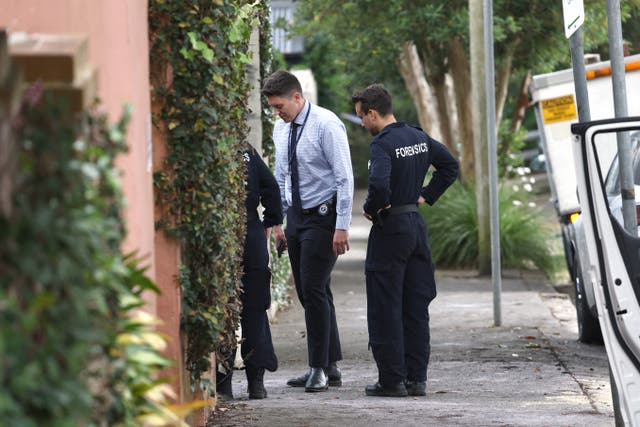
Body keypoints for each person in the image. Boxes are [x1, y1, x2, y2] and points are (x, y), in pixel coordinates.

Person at [351, 84, 458, 397]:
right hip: (415, 226)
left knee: (385, 305)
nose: (361, 123)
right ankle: (417, 379)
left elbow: (379, 185)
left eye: (361, 117)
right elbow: (449, 166)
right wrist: (425, 195)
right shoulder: (417, 136)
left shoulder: (381, 144)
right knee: (416, 304)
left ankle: (392, 380)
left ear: (373, 113)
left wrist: (371, 209)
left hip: (390, 229)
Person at [262, 70, 354, 392]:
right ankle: (330, 365)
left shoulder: (327, 125)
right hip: (298, 217)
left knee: (313, 289)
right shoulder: (281, 128)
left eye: (279, 105)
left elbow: (345, 177)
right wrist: (281, 221)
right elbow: (282, 174)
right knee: (309, 291)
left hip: (324, 217)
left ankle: (318, 368)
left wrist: (342, 225)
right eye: (272, 107)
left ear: (297, 97)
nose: (276, 112)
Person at [216, 144, 284, 400]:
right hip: (251, 234)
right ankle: (257, 382)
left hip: (223, 234)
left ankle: (223, 385)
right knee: (255, 308)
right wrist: (270, 221)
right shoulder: (247, 151)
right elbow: (271, 187)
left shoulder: (213, 146)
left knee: (223, 308)